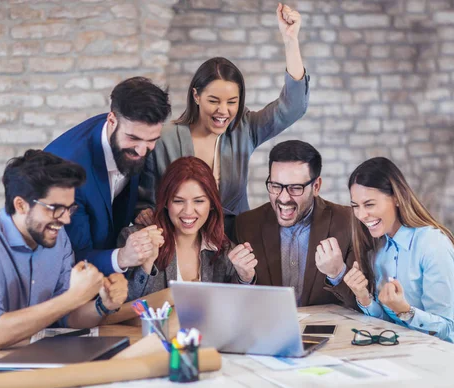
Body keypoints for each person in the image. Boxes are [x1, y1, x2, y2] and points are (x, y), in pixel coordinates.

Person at [0, 150, 129, 388]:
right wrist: (72, 297)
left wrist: (103, 305)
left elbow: (66, 318)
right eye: (55, 208)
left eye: (70, 208)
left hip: (25, 373)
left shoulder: (57, 241)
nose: (66, 219)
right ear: (21, 205)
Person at [137, 3, 309, 239]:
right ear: (196, 96)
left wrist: (291, 40)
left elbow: (293, 107)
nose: (223, 111)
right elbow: (143, 201)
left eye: (232, 102)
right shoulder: (165, 138)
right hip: (178, 243)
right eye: (214, 100)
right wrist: (144, 213)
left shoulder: (244, 129)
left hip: (233, 244)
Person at [343, 157, 454, 349]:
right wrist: (363, 297)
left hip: (448, 357)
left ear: (396, 198)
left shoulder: (432, 244)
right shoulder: (379, 250)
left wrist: (404, 311)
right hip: (407, 351)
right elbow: (387, 323)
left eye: (369, 204)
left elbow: (445, 328)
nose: (361, 215)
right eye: (356, 206)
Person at [45, 77, 171, 276]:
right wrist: (122, 257)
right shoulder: (67, 172)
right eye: (133, 139)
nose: (142, 151)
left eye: (152, 140)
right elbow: (73, 255)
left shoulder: (135, 136)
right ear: (111, 120)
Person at [234, 141, 356, 308]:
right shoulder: (246, 224)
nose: (283, 198)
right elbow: (235, 307)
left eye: (295, 188)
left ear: (316, 186)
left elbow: (362, 305)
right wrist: (244, 279)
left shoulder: (348, 222)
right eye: (276, 186)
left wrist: (337, 274)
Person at [120, 157, 257, 299]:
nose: (188, 211)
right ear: (166, 202)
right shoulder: (134, 239)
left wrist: (245, 277)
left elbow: (235, 307)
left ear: (211, 204)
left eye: (199, 201)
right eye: (178, 201)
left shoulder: (223, 250)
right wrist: (146, 265)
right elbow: (120, 306)